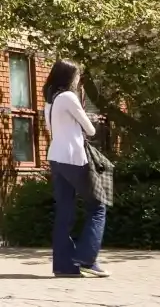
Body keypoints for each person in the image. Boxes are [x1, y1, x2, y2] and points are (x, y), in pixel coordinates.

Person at [43, 59, 109, 278]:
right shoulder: (69, 97)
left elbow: (51, 128)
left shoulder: (49, 101)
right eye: (77, 75)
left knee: (64, 212)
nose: (79, 78)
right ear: (69, 77)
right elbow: (90, 130)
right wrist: (87, 118)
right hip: (73, 158)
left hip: (56, 158)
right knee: (98, 205)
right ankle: (86, 258)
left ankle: (63, 266)